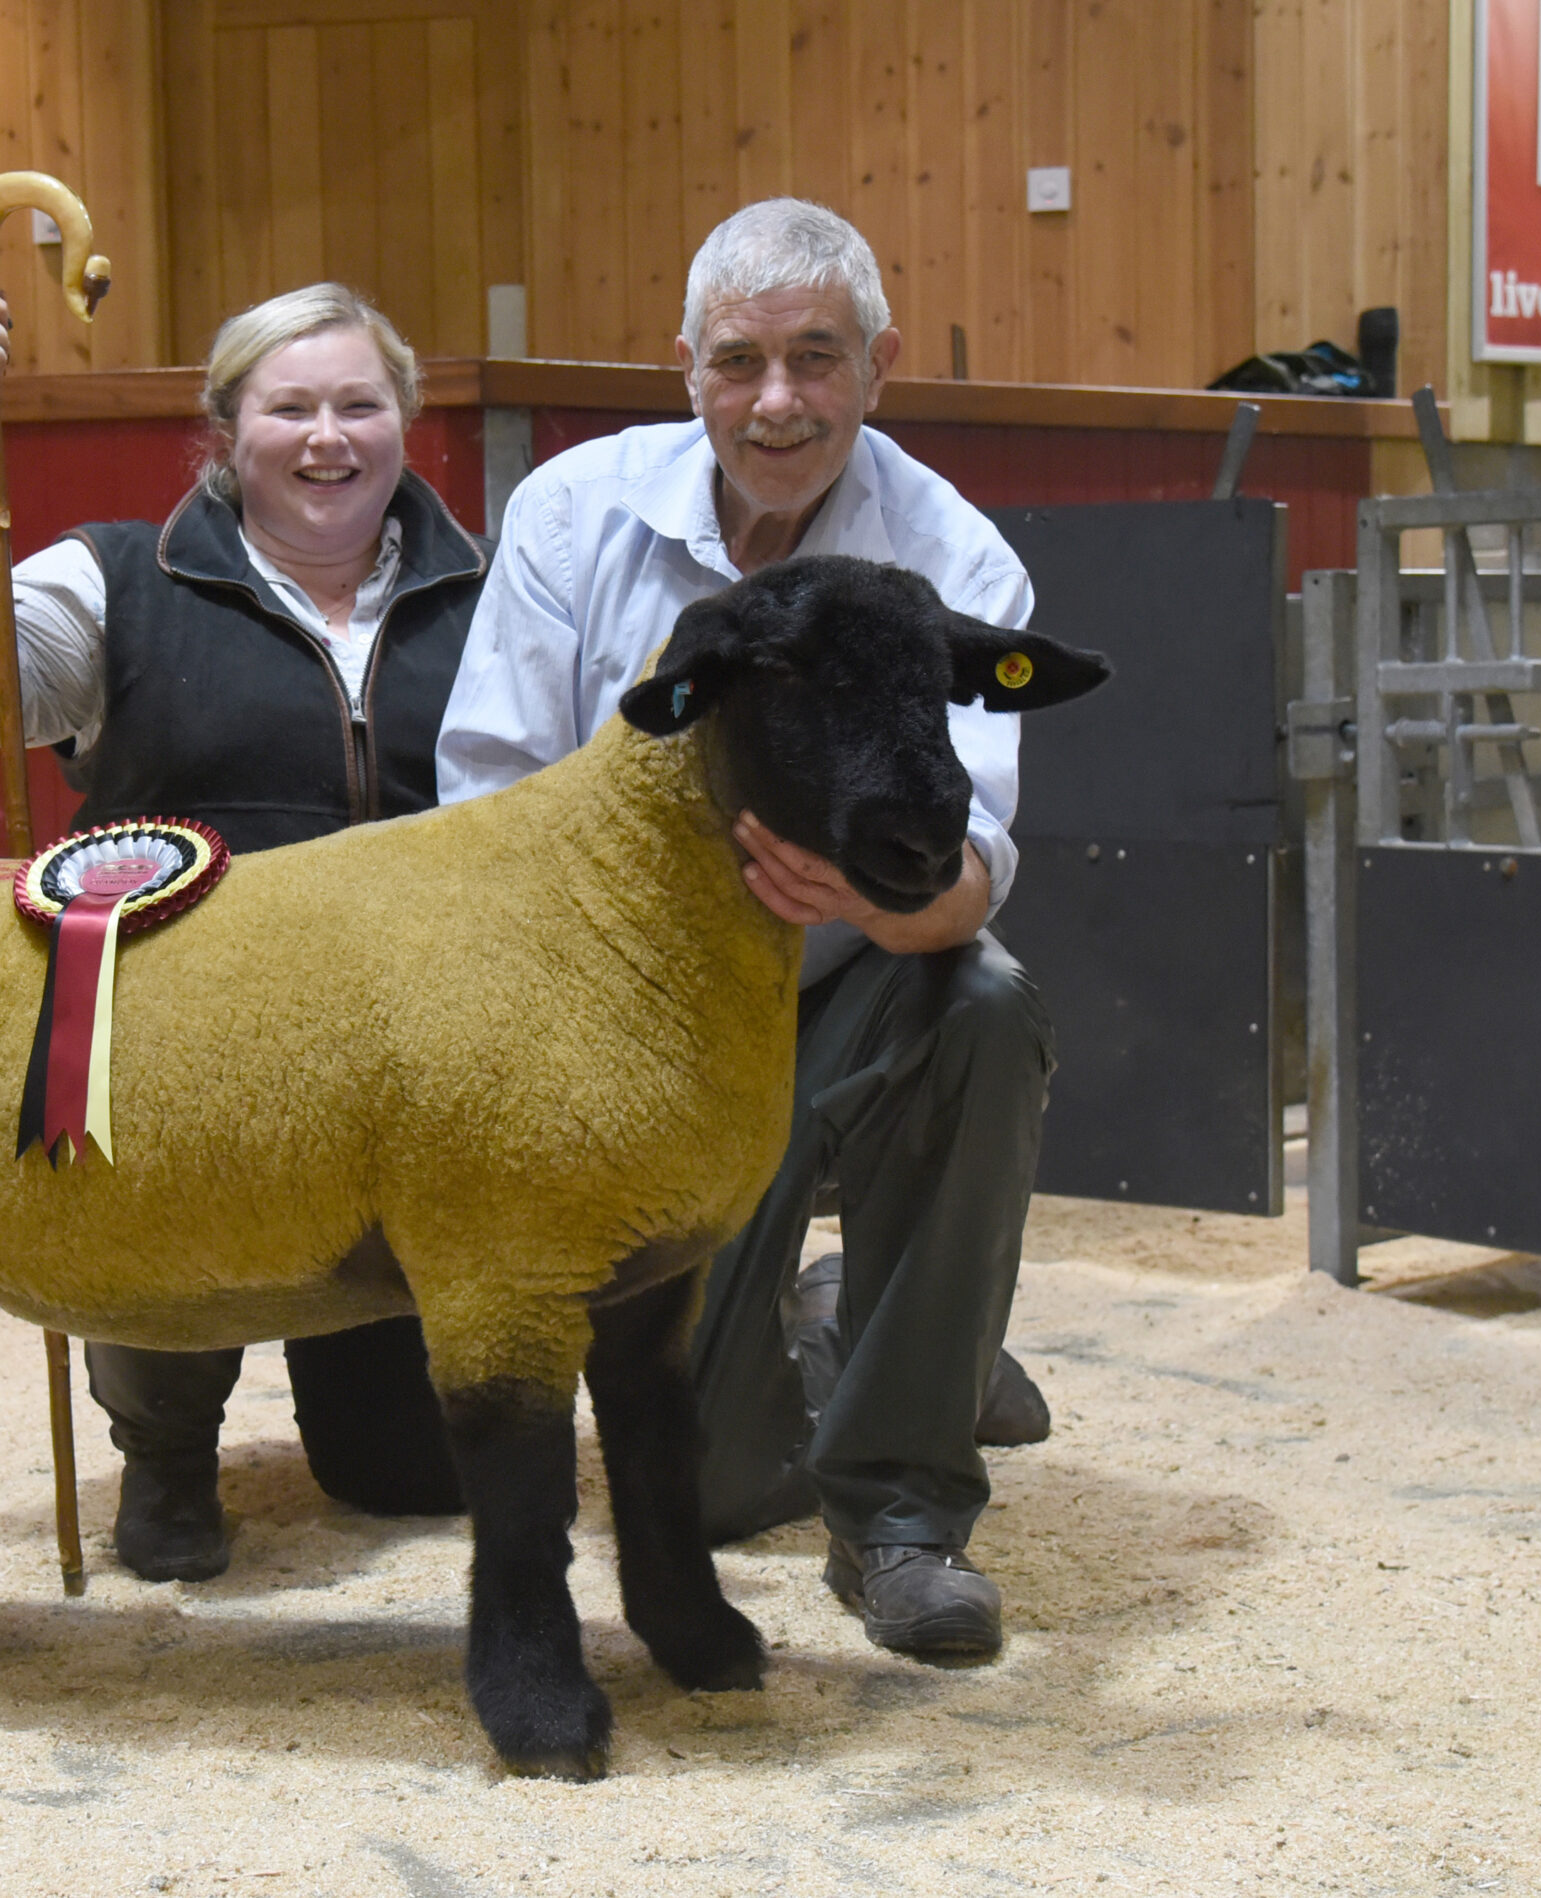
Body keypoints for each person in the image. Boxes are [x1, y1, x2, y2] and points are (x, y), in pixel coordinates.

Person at [438, 197, 1055, 1661]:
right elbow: (487, 813)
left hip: (841, 994)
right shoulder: (574, 513)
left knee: (985, 997)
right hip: (630, 1034)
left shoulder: (955, 558)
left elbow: (974, 869)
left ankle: (901, 1511)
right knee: (703, 1493)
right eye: (739, 362)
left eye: (817, 358)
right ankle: (850, 1324)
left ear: (880, 363)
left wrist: (876, 896)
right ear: (687, 368)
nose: (777, 402)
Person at [0, 256, 486, 1583]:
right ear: (225, 431)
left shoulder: (495, 592)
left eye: (360, 407)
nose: (327, 439)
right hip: (177, 1046)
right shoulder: (114, 581)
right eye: (288, 408)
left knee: (404, 1480)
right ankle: (166, 1446)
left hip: (407, 1057)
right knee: (158, 1233)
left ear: (407, 420)